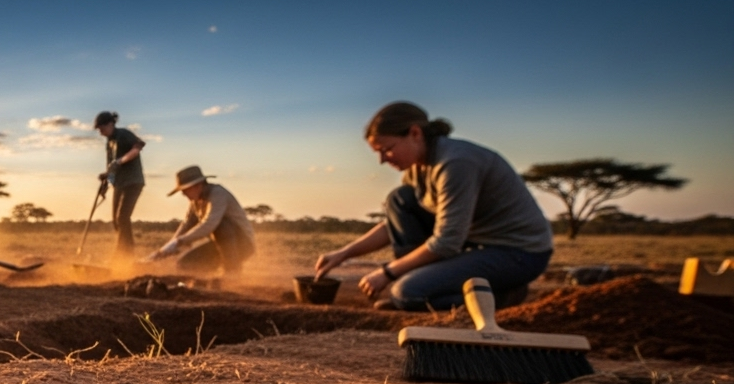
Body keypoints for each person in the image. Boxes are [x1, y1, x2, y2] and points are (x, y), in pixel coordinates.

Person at [314, 102, 553, 310]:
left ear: (415, 133)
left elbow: (447, 242)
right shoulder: (419, 166)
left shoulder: (455, 163)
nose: (383, 160)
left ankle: (501, 296)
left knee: (407, 292)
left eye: (387, 149)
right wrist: (344, 253)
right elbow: (393, 224)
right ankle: (424, 284)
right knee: (400, 200)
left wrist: (388, 272)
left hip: (518, 253)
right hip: (476, 242)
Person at [148, 166, 256, 276]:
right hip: (218, 245)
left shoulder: (218, 194)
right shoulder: (195, 201)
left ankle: (232, 273)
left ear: (198, 185)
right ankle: (205, 285)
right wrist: (166, 249)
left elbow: (209, 224)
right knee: (185, 264)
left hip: (243, 244)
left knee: (222, 226)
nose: (183, 194)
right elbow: (187, 224)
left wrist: (180, 241)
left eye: (185, 190)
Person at [94, 111, 147, 260]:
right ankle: (122, 251)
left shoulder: (123, 134)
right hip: (119, 183)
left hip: (133, 182)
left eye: (102, 128)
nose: (100, 132)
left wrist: (120, 161)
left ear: (110, 124)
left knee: (123, 217)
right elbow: (111, 166)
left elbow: (137, 148)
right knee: (116, 220)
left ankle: (126, 255)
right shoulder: (109, 142)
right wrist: (106, 177)